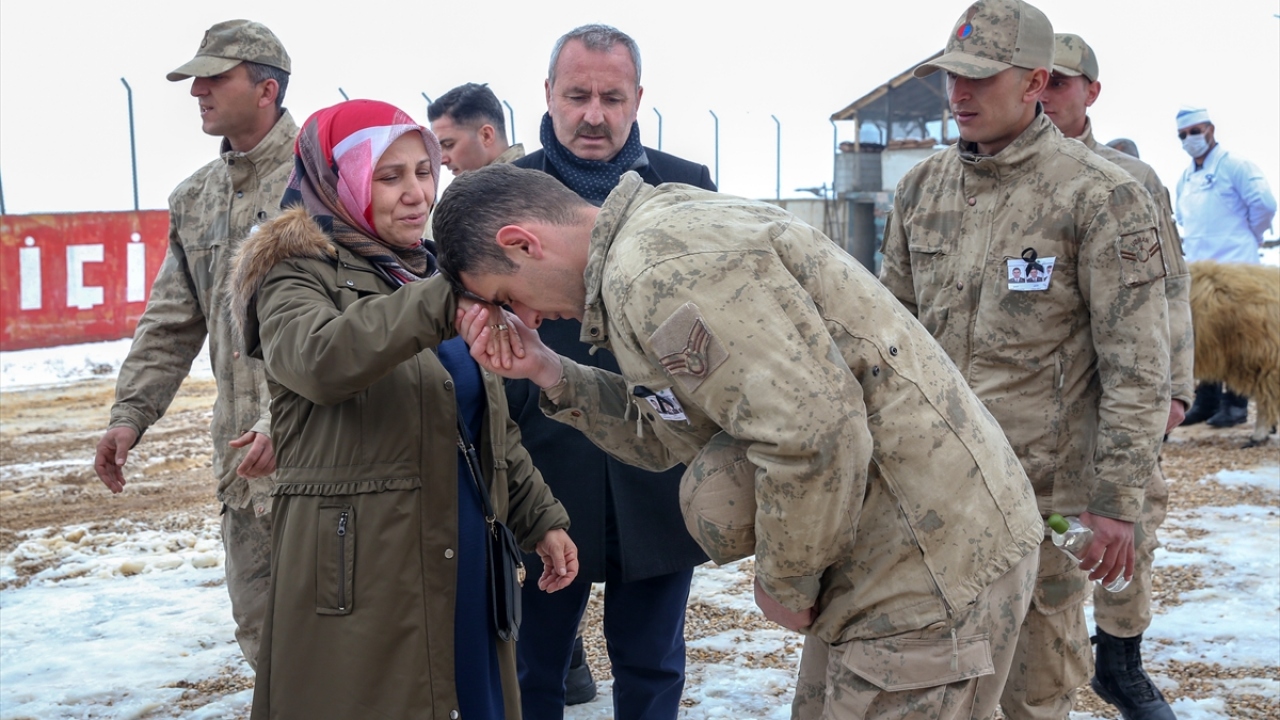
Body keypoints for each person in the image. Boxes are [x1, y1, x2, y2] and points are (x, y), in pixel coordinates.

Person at [432, 162, 1044, 720]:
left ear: (520, 243)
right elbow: (673, 432)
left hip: (922, 564)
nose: (528, 320)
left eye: (509, 299)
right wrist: (548, 370)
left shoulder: (658, 269)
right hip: (892, 554)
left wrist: (785, 583)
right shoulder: (651, 242)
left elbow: (810, 434)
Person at [228, 100, 577, 719]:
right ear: (343, 181)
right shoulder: (297, 273)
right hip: (365, 567)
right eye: (390, 177)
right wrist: (451, 294)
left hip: (463, 548)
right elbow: (319, 360)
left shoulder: (438, 273)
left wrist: (539, 517)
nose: (417, 193)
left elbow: (482, 423)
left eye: (425, 170)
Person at [877, 2, 1173, 719]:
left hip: (1049, 506)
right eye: (952, 78)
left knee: (1033, 695)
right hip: (940, 495)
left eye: (981, 78)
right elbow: (889, 341)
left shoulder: (1101, 195)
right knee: (931, 687)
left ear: (1037, 81)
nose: (960, 95)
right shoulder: (921, 190)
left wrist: (1115, 504)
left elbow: (1137, 367)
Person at [507, 24, 715, 717]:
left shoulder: (687, 189)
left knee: (652, 664)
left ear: (637, 100)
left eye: (611, 96)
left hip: (657, 467)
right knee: (533, 669)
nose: (594, 113)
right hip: (541, 469)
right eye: (577, 95)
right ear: (548, 95)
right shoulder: (502, 194)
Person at [92, 19, 296, 669]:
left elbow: (361, 323)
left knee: (345, 647)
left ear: (266, 89)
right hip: (241, 471)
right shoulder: (196, 199)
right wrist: (131, 413)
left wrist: (281, 419)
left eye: (215, 77)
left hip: (325, 462)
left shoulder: (328, 179)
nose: (196, 91)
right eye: (195, 77)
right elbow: (172, 322)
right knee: (266, 643)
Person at [1040, 32, 1194, 720]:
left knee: (1130, 525)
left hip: (1116, 397)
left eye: (1062, 84)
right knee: (1047, 535)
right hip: (1029, 403)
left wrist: (1177, 388)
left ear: (1091, 93)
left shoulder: (1131, 182)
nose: (1046, 96)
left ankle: (1120, 663)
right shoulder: (991, 180)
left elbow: (1171, 289)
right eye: (1039, 80)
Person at [1174, 106, 1277, 427]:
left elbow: (1264, 203)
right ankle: (1206, 402)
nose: (1189, 139)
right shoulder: (1186, 177)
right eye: (1182, 135)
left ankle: (1235, 406)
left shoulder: (1235, 166)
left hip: (1239, 271)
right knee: (1205, 337)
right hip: (1201, 273)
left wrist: (1252, 234)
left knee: (1242, 339)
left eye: (1194, 131)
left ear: (1210, 129)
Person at [428, 83, 525, 175]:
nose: (442, 160)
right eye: (438, 150)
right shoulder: (530, 183)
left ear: (486, 136)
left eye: (448, 145)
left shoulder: (526, 188)